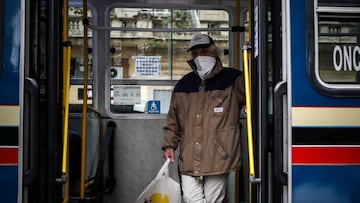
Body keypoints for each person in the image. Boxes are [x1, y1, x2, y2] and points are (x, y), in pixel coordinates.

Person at [161, 33, 246, 203]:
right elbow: (173, 120)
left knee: (214, 199)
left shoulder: (234, 79)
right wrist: (169, 145)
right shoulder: (184, 84)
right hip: (190, 154)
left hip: (219, 155)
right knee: (191, 198)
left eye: (204, 52)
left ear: (214, 52)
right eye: (196, 53)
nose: (200, 56)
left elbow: (252, 102)